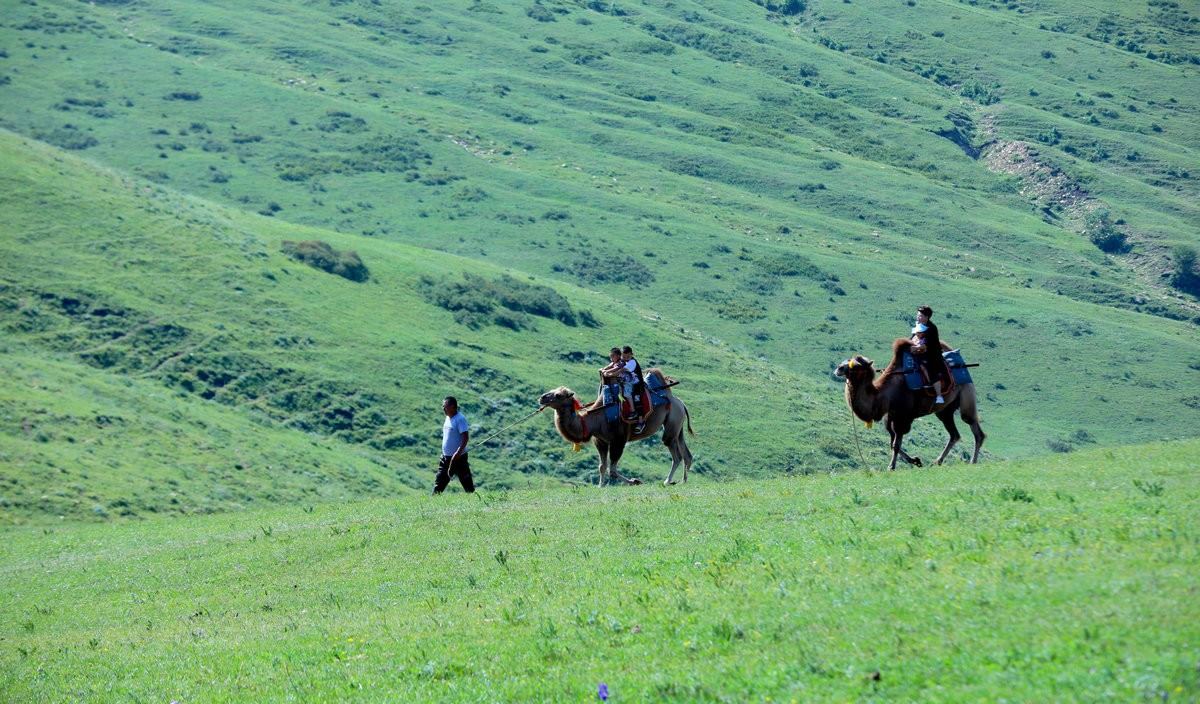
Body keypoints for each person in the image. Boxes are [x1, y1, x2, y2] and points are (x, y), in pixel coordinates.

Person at [433, 396, 473, 494]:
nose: (443, 408)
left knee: (467, 484)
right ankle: (433, 500)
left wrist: (457, 453)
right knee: (439, 483)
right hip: (445, 458)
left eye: (445, 406)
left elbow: (465, 438)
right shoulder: (448, 417)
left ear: (452, 407)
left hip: (459, 458)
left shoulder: (460, 419)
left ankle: (474, 499)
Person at [910, 305, 949, 405]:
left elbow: (927, 345)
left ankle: (939, 396)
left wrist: (916, 348)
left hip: (931, 355)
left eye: (920, 316)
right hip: (918, 353)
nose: (918, 317)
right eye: (917, 315)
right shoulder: (918, 325)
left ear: (926, 317)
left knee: (930, 369)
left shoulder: (932, 328)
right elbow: (913, 338)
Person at [620, 345, 648, 431]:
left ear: (632, 355)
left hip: (637, 385)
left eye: (628, 356)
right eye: (624, 357)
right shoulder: (622, 361)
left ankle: (640, 422)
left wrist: (611, 373)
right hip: (628, 383)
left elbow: (622, 370)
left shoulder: (632, 362)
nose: (626, 358)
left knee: (637, 401)